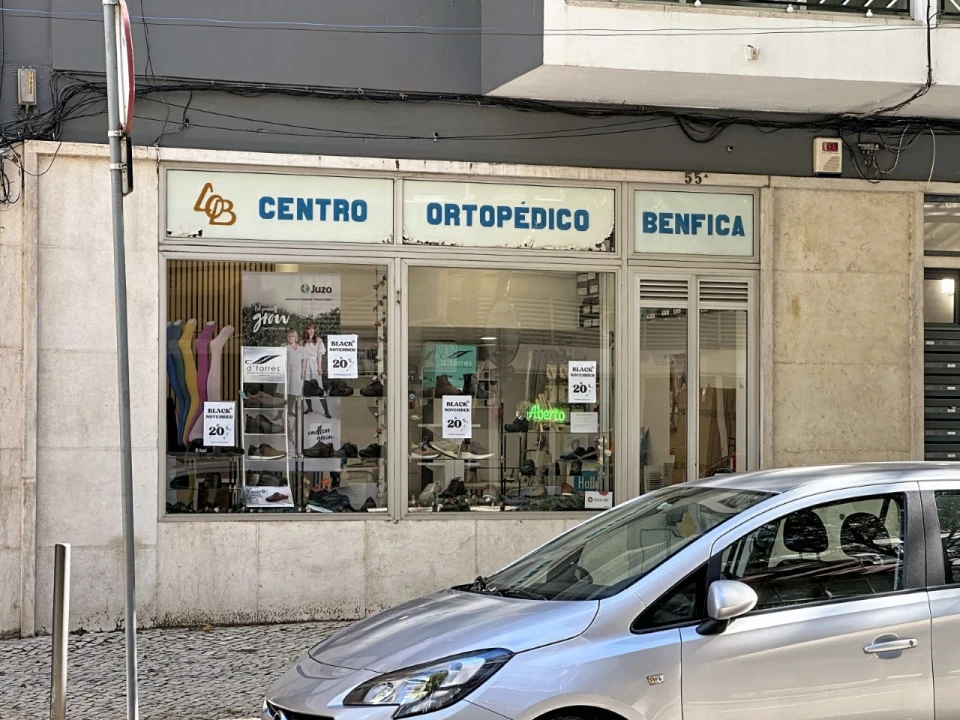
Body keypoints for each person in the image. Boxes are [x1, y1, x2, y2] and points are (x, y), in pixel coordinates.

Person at [302, 323, 331, 418]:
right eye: (309, 329)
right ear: (306, 330)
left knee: (319, 388)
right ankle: (309, 408)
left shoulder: (318, 340)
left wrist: (319, 367)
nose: (311, 331)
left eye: (312, 329)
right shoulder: (303, 341)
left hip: (314, 364)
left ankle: (326, 411)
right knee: (306, 388)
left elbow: (319, 354)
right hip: (305, 365)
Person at [285, 330, 304, 416]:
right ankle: (280, 412)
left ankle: (289, 410)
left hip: (297, 372)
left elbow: (304, 361)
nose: (291, 338)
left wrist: (303, 372)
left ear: (296, 337)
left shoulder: (301, 349)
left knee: (293, 392)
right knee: (285, 392)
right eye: (289, 336)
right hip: (287, 371)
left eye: (292, 336)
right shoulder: (285, 347)